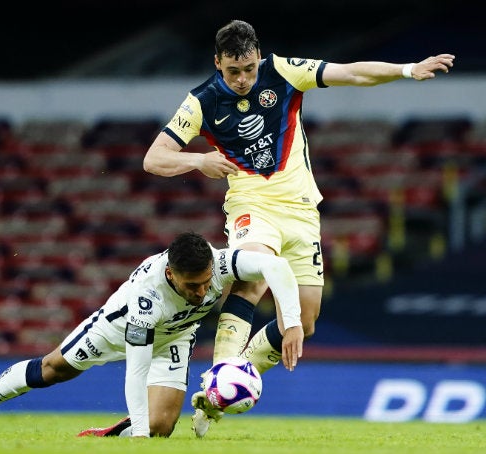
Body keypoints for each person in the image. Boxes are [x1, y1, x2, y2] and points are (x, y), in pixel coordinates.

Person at [142, 19, 455, 436]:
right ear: (217, 63)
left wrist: (406, 69)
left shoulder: (284, 71)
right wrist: (197, 160)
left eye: (249, 69)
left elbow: (351, 72)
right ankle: (219, 372)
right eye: (233, 71)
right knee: (253, 274)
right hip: (251, 204)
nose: (242, 79)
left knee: (304, 321)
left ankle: (221, 393)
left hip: (303, 211)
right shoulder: (200, 102)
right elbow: (154, 158)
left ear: (258, 57)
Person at [0, 231, 302, 438]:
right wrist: (140, 441)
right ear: (171, 274)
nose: (203, 292)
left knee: (162, 428)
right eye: (192, 286)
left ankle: (117, 432)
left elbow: (277, 268)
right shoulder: (148, 298)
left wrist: (294, 320)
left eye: (205, 284)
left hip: (177, 336)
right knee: (53, 369)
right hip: (114, 329)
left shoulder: (219, 264)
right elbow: (136, 370)